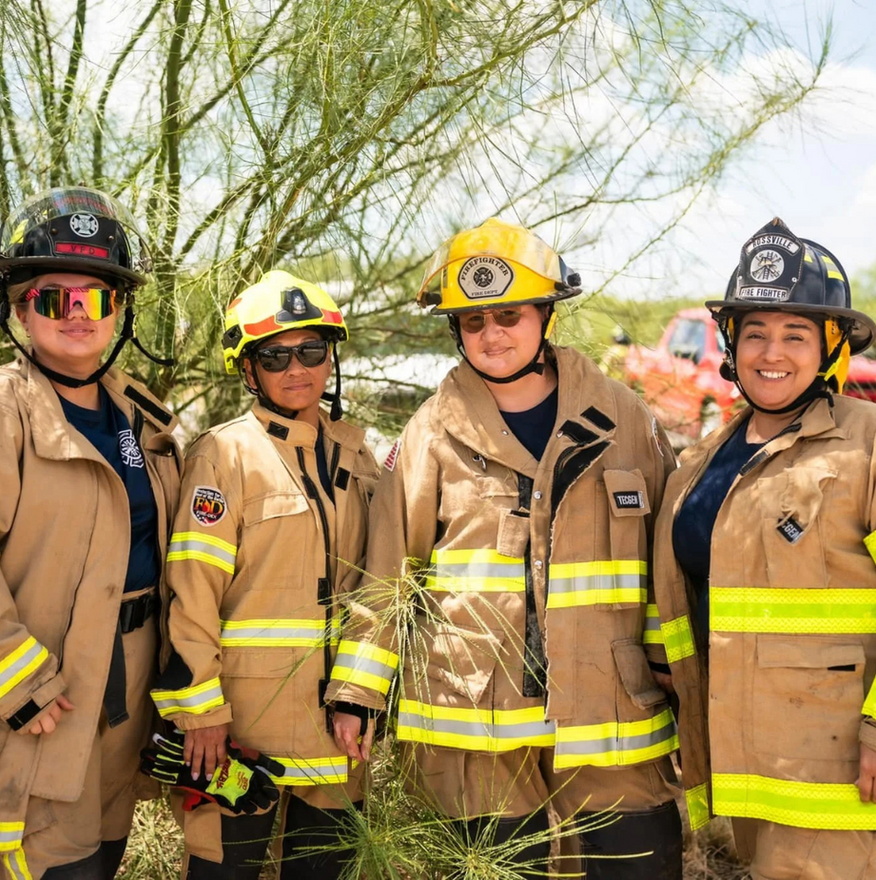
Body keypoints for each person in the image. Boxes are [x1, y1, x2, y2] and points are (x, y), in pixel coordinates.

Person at [329, 218, 683, 878]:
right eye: (473, 322)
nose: (492, 335)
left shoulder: (627, 420)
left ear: (546, 314)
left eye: (510, 315)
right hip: (474, 726)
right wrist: (356, 693)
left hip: (612, 721)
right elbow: (387, 575)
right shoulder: (431, 433)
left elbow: (669, 564)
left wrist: (678, 670)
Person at [652, 217, 876, 879]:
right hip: (740, 771)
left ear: (831, 345)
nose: (770, 352)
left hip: (834, 775)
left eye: (794, 334)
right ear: (731, 344)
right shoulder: (701, 459)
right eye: (755, 332)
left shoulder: (866, 444)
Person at [149, 270, 379, 879]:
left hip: (338, 729)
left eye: (312, 351)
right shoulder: (223, 455)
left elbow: (378, 590)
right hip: (240, 729)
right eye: (275, 356)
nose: (297, 368)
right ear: (247, 369)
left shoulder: (358, 459)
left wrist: (365, 696)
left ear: (331, 358)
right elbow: (191, 592)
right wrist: (200, 712)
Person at [0, 186, 182, 878]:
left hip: (128, 697)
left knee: (104, 857)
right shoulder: (7, 412)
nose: (77, 314)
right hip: (41, 702)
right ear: (20, 309)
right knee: (51, 862)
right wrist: (18, 681)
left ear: (120, 311)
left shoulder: (143, 415)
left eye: (97, 298)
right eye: (53, 299)